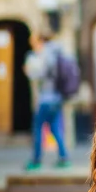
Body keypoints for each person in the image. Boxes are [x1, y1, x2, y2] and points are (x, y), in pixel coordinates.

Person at [24, 32, 70, 171]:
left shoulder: (45, 55)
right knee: (55, 128)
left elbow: (41, 74)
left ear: (40, 41)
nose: (32, 44)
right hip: (57, 98)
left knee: (37, 128)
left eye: (33, 41)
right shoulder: (57, 53)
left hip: (46, 99)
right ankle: (64, 158)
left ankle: (36, 160)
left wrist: (29, 72)